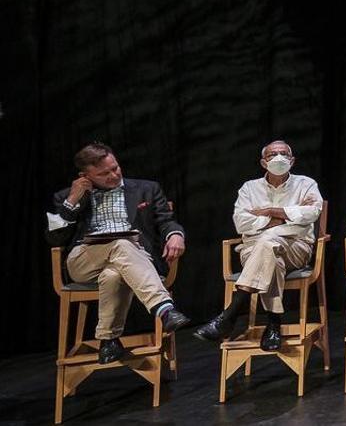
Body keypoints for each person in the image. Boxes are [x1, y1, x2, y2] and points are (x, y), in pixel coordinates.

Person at [46, 142, 191, 364]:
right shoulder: (68, 196)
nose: (113, 175)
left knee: (113, 273)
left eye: (115, 168)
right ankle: (163, 308)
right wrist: (72, 200)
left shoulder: (146, 189)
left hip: (132, 259)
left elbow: (166, 221)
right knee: (121, 244)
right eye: (104, 174)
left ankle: (108, 340)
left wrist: (176, 234)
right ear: (85, 175)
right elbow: (55, 239)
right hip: (84, 261)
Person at [194, 140, 322, 351]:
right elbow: (241, 222)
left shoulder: (306, 184)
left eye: (284, 153)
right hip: (254, 250)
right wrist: (287, 215)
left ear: (292, 160)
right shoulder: (249, 188)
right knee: (270, 253)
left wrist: (270, 212)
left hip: (296, 247)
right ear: (263, 162)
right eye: (273, 154)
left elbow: (312, 213)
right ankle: (273, 324)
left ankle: (230, 314)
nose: (278, 158)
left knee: (267, 242)